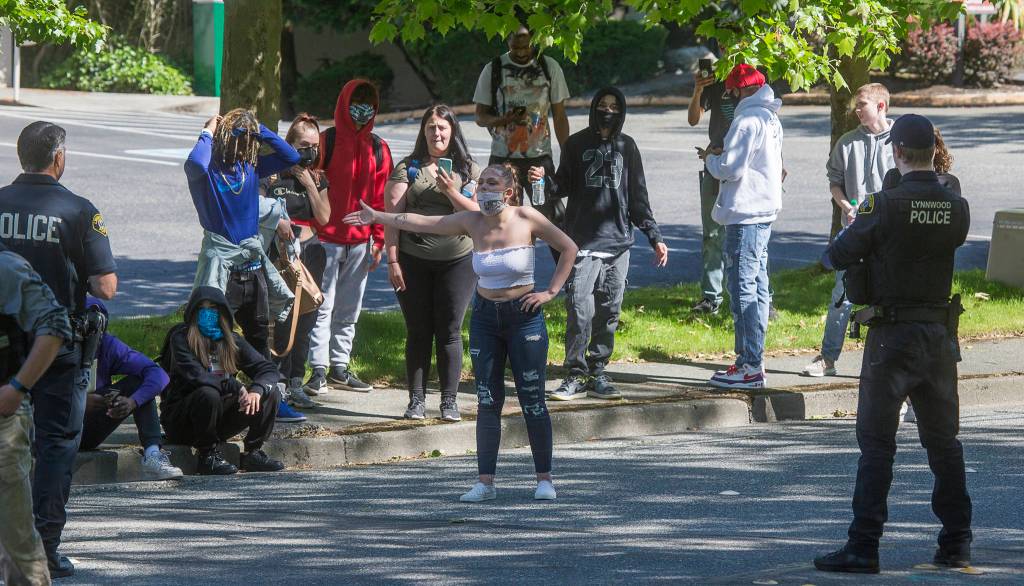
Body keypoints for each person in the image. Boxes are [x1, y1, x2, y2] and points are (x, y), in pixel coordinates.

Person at [343, 163, 578, 502]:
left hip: (523, 316)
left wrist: (550, 292)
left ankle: (544, 478)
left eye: (491, 183)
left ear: (508, 191)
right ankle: (485, 483)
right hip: (485, 317)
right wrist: (378, 216)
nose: (483, 189)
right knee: (487, 400)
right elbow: (421, 222)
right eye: (481, 183)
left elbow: (569, 247)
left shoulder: (526, 217)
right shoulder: (471, 221)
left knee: (532, 398)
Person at [814, 114, 973, 574]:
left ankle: (863, 547)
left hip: (891, 338)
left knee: (878, 445)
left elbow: (839, 253)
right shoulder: (955, 206)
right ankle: (957, 542)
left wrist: (830, 258)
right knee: (945, 444)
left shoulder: (882, 204)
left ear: (897, 152)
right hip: (939, 338)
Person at [0, 121, 118, 578]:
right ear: (59, 158)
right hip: (57, 346)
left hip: (7, 348)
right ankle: (44, 546)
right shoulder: (78, 211)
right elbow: (105, 286)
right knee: (56, 445)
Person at [545, 88, 668, 401]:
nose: (608, 111)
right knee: (578, 309)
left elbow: (638, 198)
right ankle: (575, 373)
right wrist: (543, 177)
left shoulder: (628, 147)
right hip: (582, 243)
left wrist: (654, 236)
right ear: (594, 108)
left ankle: (598, 371)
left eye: (615, 107)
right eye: (603, 105)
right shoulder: (575, 144)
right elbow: (561, 186)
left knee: (609, 311)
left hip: (617, 243)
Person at [384, 105, 481, 421]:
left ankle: (449, 402)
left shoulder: (468, 169)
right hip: (413, 261)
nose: (436, 133)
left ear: (453, 131)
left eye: (442, 127)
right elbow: (393, 219)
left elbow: (476, 215)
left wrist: (451, 190)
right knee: (418, 330)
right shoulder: (407, 169)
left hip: (458, 262)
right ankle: (416, 401)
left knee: (450, 330)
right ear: (423, 131)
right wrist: (393, 260)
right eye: (431, 127)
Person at [184, 108, 301, 360]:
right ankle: (217, 391)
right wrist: (208, 131)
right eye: (238, 140)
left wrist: (260, 130)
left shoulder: (251, 166)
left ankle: (266, 389)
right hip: (220, 269)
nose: (243, 148)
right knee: (210, 335)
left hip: (252, 269)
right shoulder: (207, 172)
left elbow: (291, 156)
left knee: (259, 337)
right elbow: (194, 163)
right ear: (224, 137)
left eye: (248, 142)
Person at [304, 80, 392, 395]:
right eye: (356, 102)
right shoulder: (326, 142)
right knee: (321, 305)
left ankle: (340, 366)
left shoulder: (379, 149)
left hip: (361, 242)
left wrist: (378, 240)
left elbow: (381, 199)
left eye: (369, 104)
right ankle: (317, 370)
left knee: (349, 308)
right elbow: (309, 187)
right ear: (344, 102)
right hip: (325, 239)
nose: (362, 110)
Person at [803, 83, 894, 380]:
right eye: (856, 104)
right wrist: (845, 205)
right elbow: (834, 182)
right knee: (841, 297)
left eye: (862, 104)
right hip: (854, 233)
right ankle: (828, 359)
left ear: (881, 106)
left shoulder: (899, 141)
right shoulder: (846, 142)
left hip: (888, 236)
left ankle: (888, 363)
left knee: (889, 299)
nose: (857, 109)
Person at [703, 65, 783, 389]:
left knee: (741, 287)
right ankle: (755, 358)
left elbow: (731, 169)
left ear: (737, 91)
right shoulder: (770, 117)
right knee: (759, 285)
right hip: (763, 211)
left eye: (732, 91)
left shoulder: (746, 119)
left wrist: (710, 160)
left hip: (745, 213)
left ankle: (749, 364)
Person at [0, 244, 71, 586]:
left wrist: (17, 387)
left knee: (16, 544)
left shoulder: (6, 269)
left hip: (3, 423)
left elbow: (56, 325)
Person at [158, 286, 285, 476]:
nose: (208, 314)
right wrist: (236, 386)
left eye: (214, 309)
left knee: (271, 392)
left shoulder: (232, 340)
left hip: (218, 419)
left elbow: (267, 369)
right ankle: (207, 456)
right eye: (202, 309)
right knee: (208, 393)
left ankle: (253, 452)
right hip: (183, 421)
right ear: (192, 313)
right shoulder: (181, 338)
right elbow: (197, 376)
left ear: (223, 313)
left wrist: (256, 391)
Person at [259, 114, 332, 415]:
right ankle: (273, 382)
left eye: (314, 146)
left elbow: (325, 217)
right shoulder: (272, 174)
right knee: (279, 318)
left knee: (305, 318)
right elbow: (258, 206)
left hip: (309, 253)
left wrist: (310, 187)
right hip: (278, 254)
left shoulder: (316, 177)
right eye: (303, 145)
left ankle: (296, 382)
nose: (310, 152)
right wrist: (279, 222)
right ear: (289, 144)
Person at [473, 22, 571, 244]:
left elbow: (560, 116)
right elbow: (480, 117)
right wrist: (505, 120)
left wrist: (567, 153)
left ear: (533, 41)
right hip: (503, 160)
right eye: (515, 47)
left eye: (525, 47)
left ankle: (569, 276)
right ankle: (512, 275)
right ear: (507, 40)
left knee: (553, 222)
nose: (520, 52)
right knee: (503, 224)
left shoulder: (548, 66)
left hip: (539, 159)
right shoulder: (494, 68)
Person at [78, 297, 182, 481]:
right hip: (54, 427)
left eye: (96, 328)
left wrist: (132, 402)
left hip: (88, 429)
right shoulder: (52, 346)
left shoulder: (108, 345)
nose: (91, 333)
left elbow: (157, 373)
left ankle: (152, 454)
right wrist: (76, 402)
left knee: (141, 383)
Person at [687, 56, 735, 315]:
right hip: (714, 163)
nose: (727, 47)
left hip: (745, 166)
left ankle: (763, 297)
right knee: (712, 234)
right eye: (723, 43)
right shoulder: (714, 79)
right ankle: (711, 298)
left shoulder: (754, 75)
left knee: (750, 235)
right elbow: (693, 119)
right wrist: (698, 91)